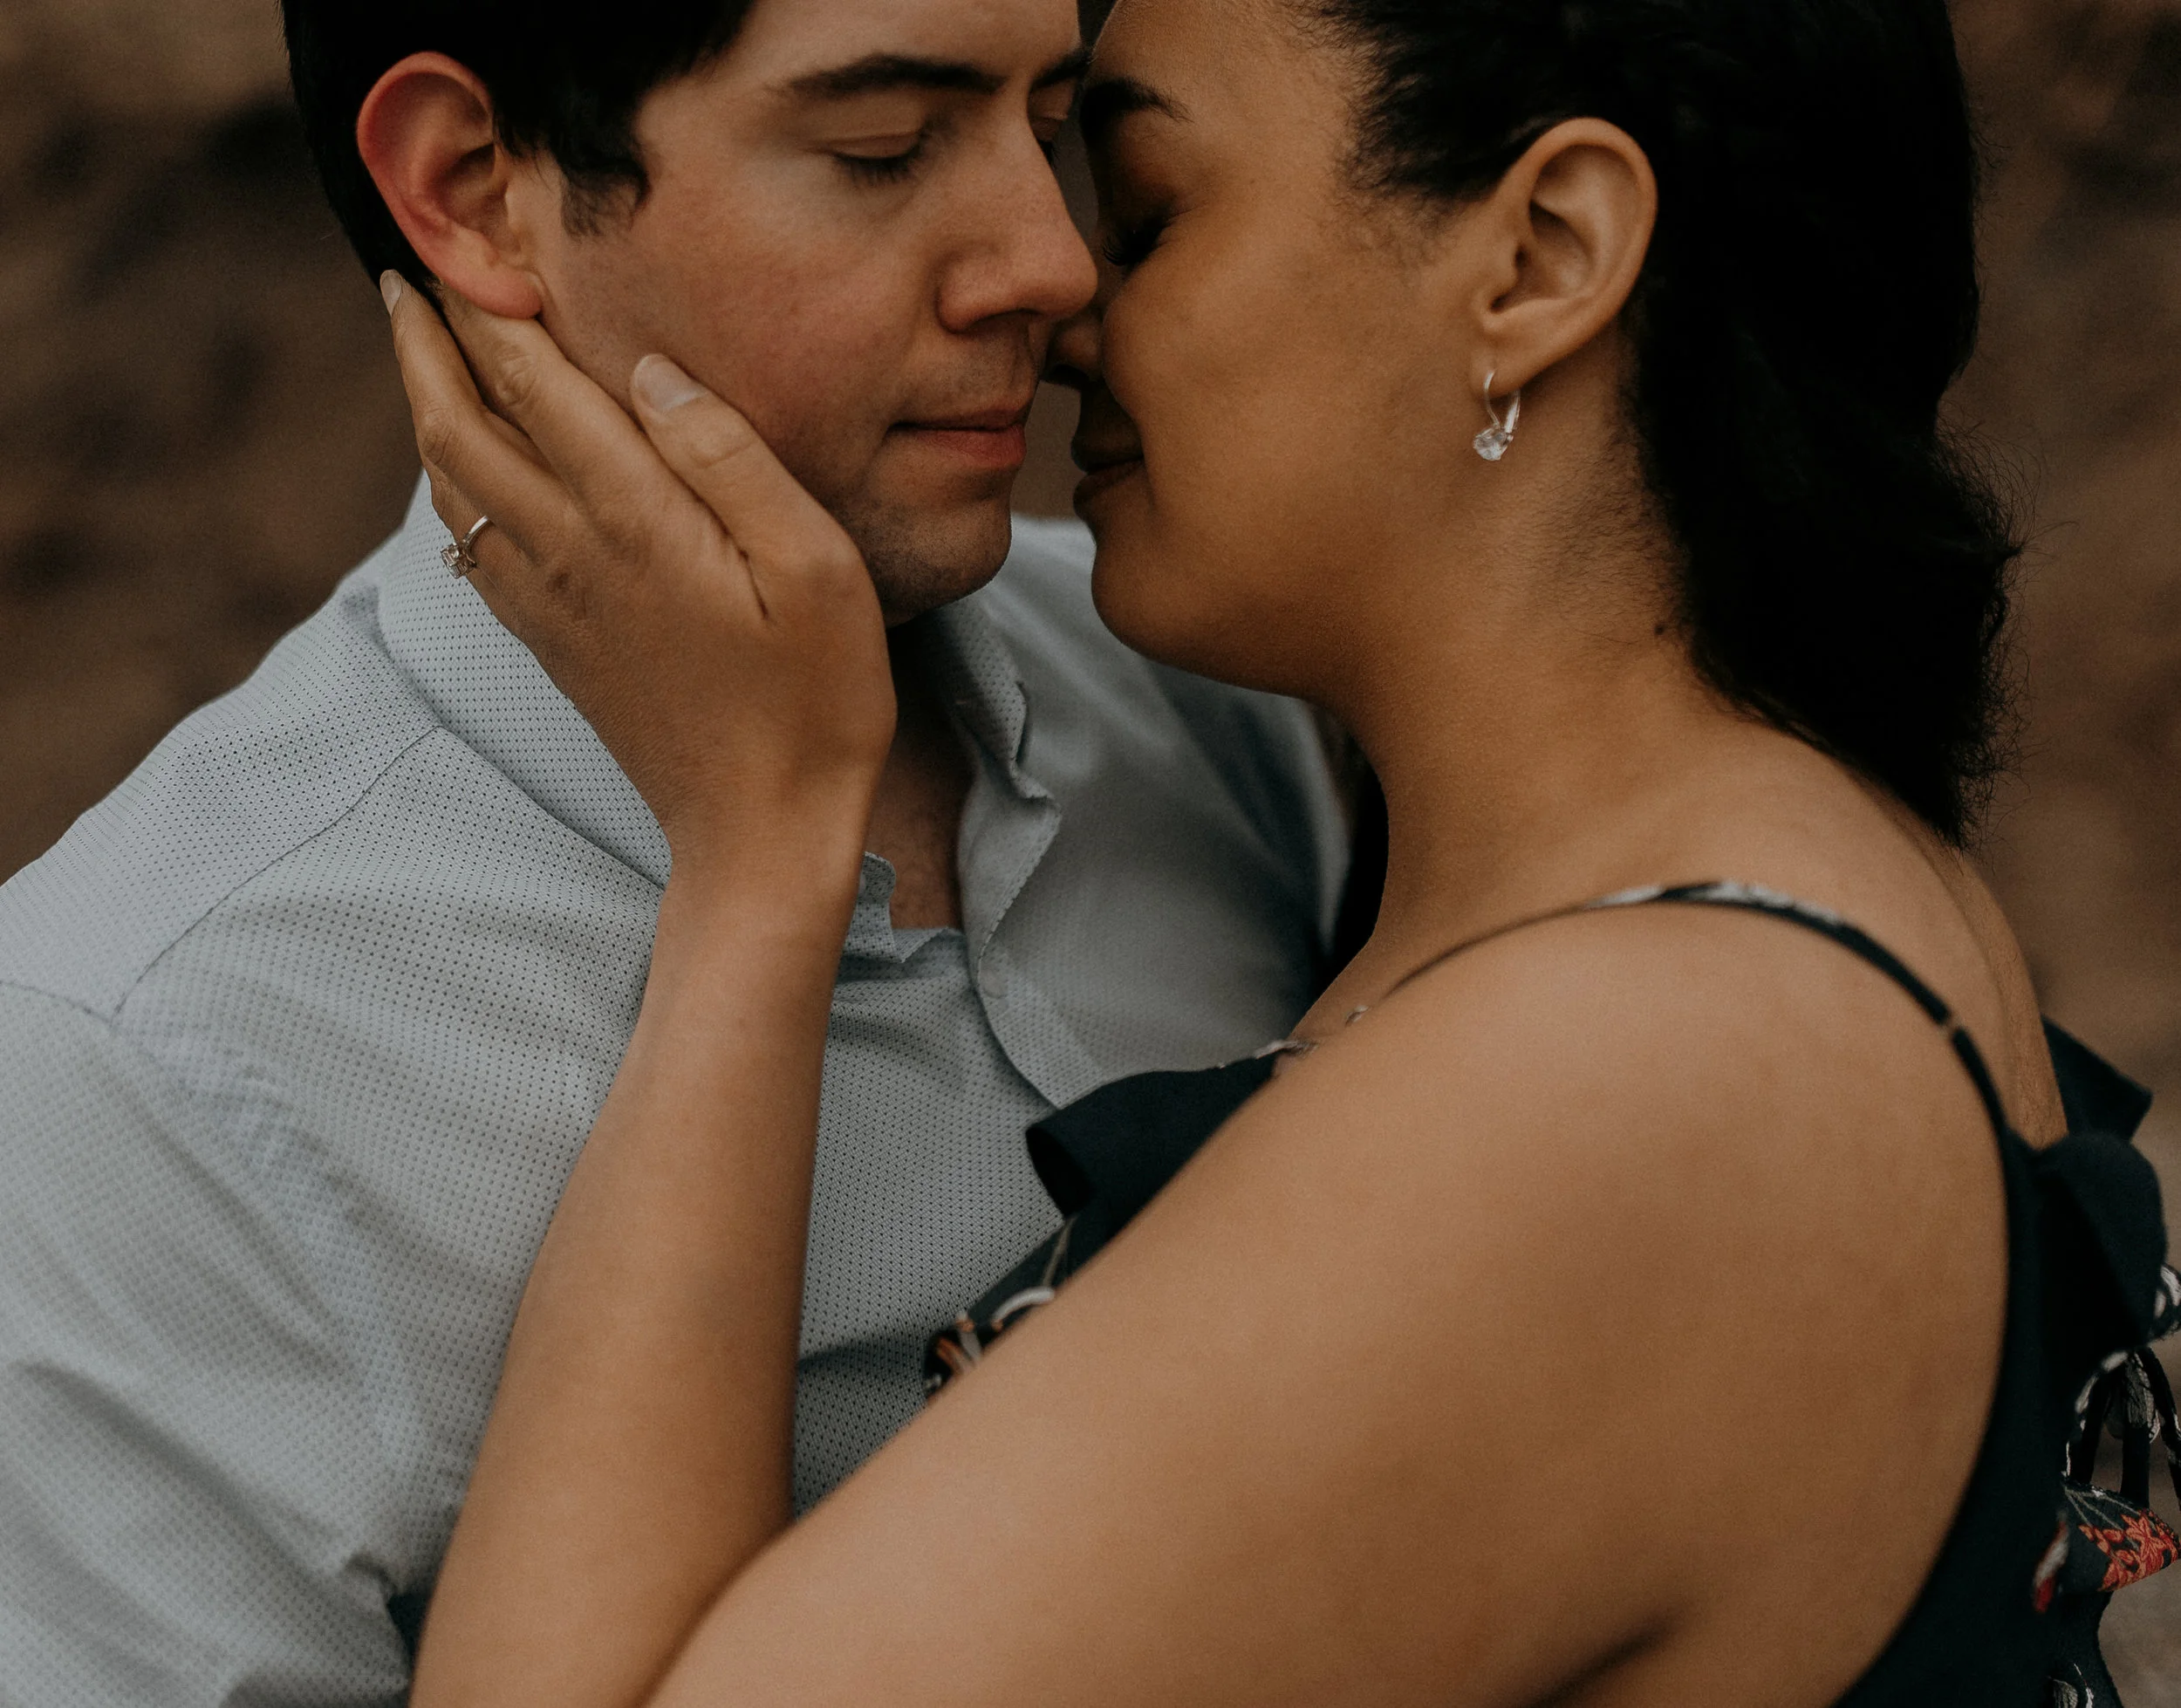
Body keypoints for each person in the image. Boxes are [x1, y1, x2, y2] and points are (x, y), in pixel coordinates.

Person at [378, 0, 2181, 1703]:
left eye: (1147, 210)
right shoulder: (1729, 911)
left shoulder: (1630, 1081)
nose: (1060, 296)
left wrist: (762, 852)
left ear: (1541, 257)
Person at [0, 3, 1348, 1702]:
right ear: (472, 188)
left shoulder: (1199, 690)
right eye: (882, 150)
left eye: (1049, 126)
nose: (1051, 261)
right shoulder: (142, 1070)